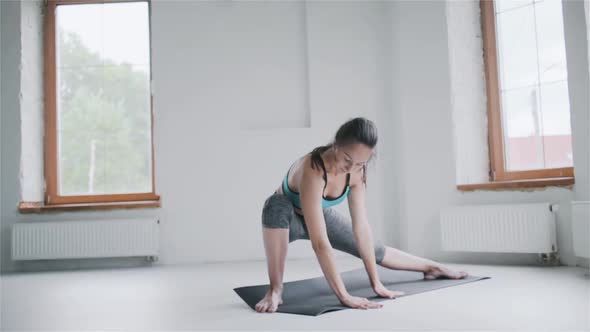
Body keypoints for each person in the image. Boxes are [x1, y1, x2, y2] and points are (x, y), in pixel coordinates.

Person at [255, 117, 468, 313]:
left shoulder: (356, 172)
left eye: (360, 163)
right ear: (335, 145)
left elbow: (361, 227)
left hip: (319, 214)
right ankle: (275, 290)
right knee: (276, 206)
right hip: (287, 219)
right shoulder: (313, 169)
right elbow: (320, 243)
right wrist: (344, 296)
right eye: (348, 159)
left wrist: (376, 283)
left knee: (374, 249)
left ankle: (433, 266)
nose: (351, 167)